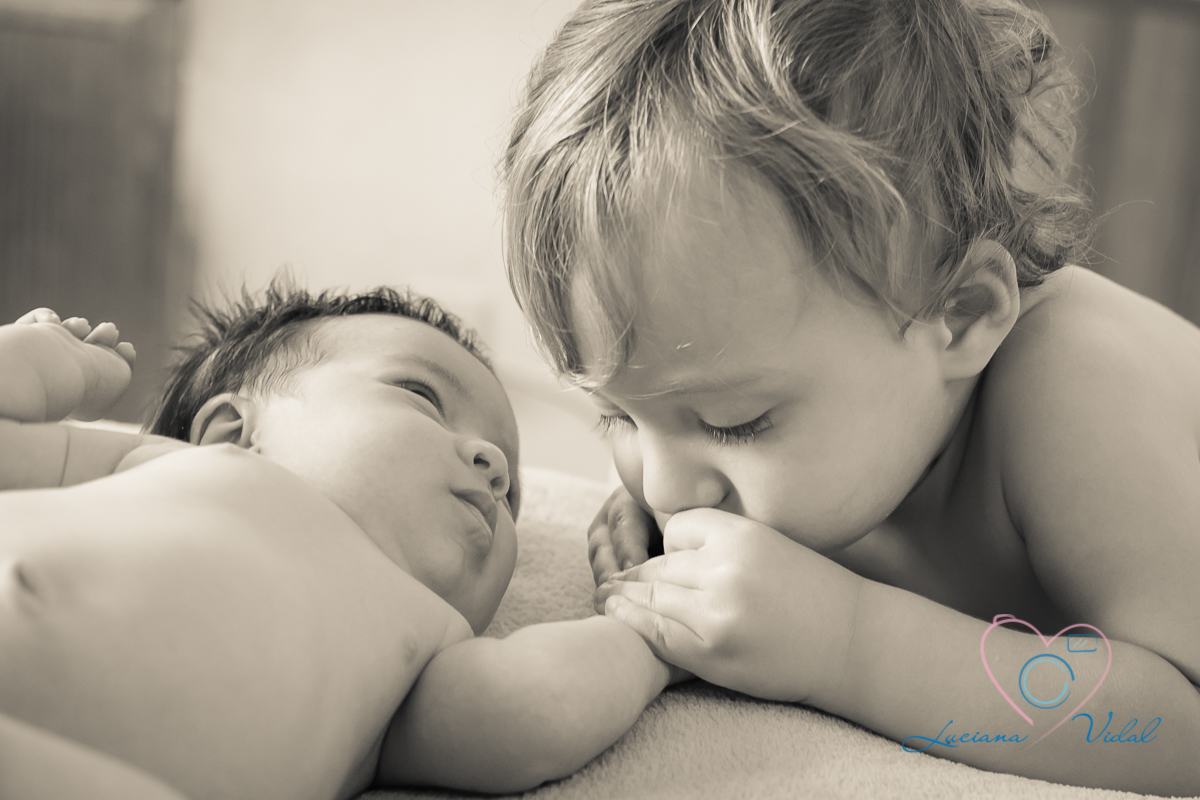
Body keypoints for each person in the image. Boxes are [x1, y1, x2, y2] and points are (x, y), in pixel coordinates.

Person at [500, 0, 1200, 793]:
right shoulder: (862, 400)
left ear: (960, 315)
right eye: (621, 417)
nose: (661, 485)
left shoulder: (1078, 391)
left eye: (734, 422)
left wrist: (847, 641)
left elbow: (1183, 726)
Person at [0, 284, 670, 800]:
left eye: (513, 492)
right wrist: (40, 368)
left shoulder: (426, 650)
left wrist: (660, 632)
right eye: (422, 396)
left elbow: (533, 707)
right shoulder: (165, 466)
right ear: (233, 430)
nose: (492, 465)